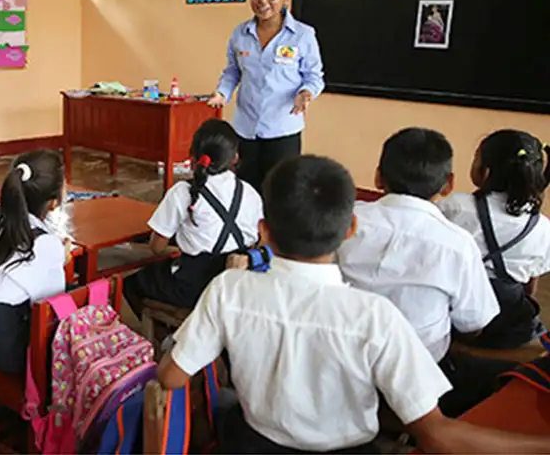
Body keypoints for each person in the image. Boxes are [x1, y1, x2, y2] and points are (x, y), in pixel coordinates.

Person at [156, 155, 550, 454]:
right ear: (350, 229)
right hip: (351, 448)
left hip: (256, 443)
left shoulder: (229, 289)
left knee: (225, 406)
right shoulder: (375, 317)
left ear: (263, 231)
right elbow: (436, 433)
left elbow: (171, 377)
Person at [336, 127, 507, 417]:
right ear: (448, 185)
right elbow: (474, 324)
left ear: (378, 176)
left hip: (337, 357)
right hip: (415, 372)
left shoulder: (345, 219)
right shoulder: (458, 244)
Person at [123, 119, 262, 318]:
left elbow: (157, 247)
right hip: (237, 285)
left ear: (194, 156)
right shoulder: (250, 193)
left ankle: (162, 336)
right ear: (235, 158)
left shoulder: (183, 191)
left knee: (131, 283)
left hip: (194, 287)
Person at [207, 0, 325, 192]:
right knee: (246, 190)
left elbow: (314, 75)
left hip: (283, 129)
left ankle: (275, 229)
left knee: (280, 192)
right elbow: (233, 70)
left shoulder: (302, 35)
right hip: (245, 128)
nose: (263, 1)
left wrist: (306, 93)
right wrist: (222, 92)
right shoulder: (240, 33)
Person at [0, 150, 67, 375]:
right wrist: (60, 258)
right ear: (54, 203)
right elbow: (50, 306)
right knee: (73, 305)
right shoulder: (46, 244)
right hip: (10, 351)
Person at [439, 129, 550, 348]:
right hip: (509, 327)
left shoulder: (454, 207)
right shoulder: (543, 227)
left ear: (485, 172)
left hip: (455, 318)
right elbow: (530, 286)